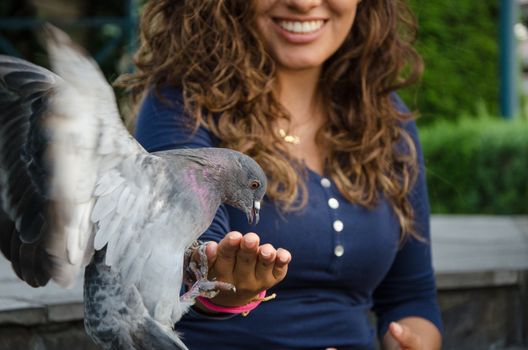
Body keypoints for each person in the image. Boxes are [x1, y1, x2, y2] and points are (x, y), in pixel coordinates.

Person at [119, 0, 443, 349]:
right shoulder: (181, 106)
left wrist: (410, 342)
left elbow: (412, 298)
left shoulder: (384, 117)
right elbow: (180, 274)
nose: (303, 4)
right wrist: (223, 285)